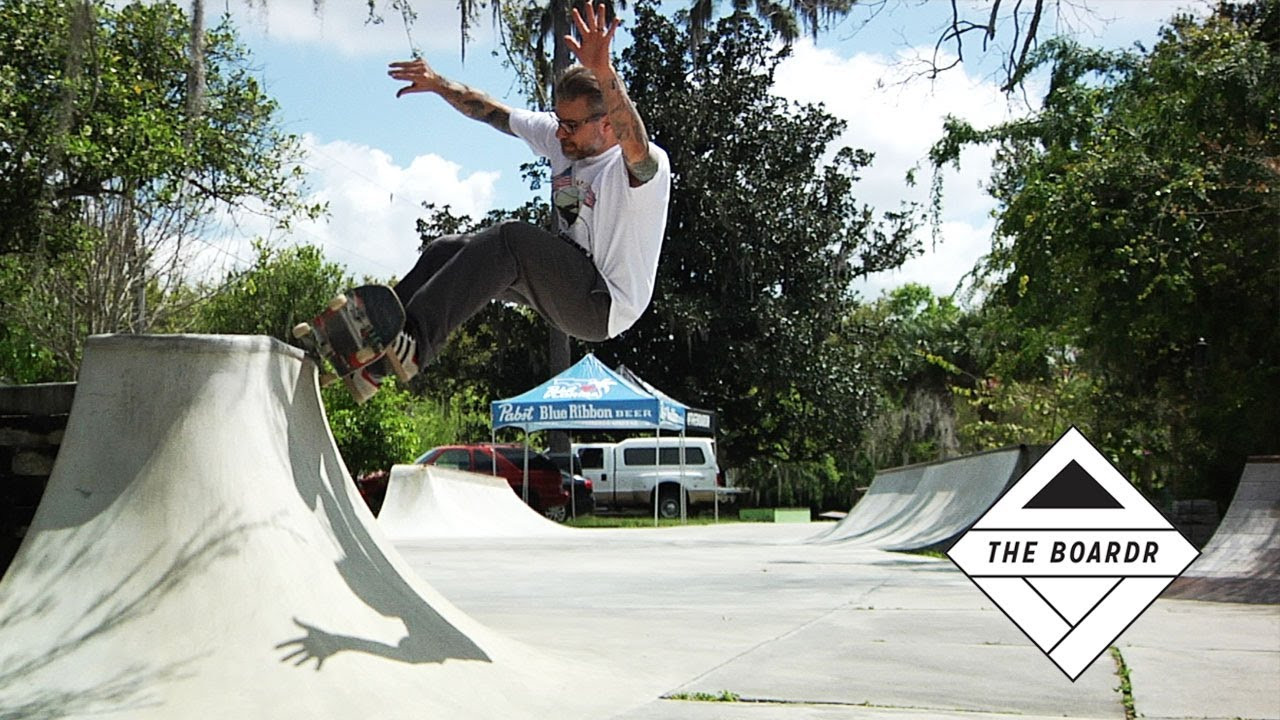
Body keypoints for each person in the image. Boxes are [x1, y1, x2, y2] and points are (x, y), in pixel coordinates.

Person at [361, 3, 671, 400]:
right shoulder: (563, 137)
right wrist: (439, 84)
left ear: (607, 124)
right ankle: (374, 345)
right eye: (559, 122)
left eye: (572, 126)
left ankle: (415, 345)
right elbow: (492, 111)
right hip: (564, 281)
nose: (561, 135)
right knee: (448, 251)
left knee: (511, 240)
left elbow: (637, 148)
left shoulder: (639, 167)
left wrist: (605, 73)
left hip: (603, 303)